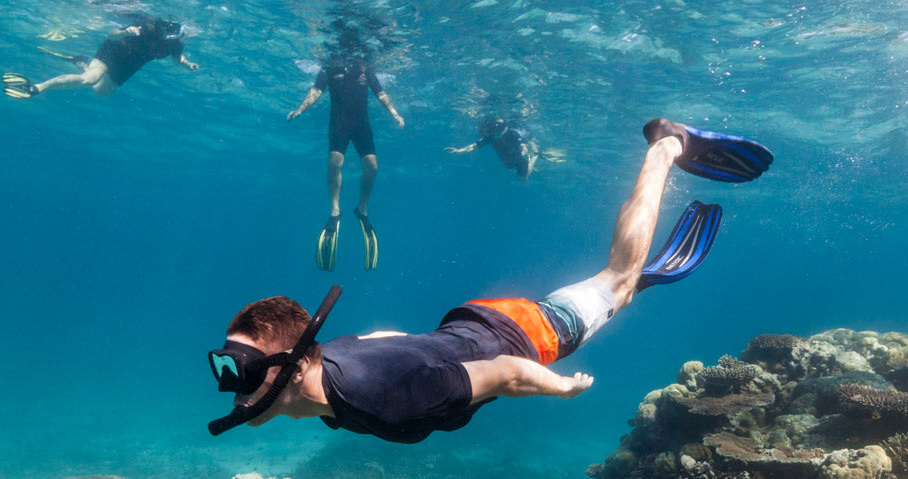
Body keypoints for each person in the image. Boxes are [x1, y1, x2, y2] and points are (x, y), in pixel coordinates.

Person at [206, 119, 773, 444]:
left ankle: (666, 147)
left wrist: (565, 388)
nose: (236, 385)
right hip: (472, 322)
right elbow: (379, 339)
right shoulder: (326, 368)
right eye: (230, 366)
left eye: (246, 370)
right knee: (604, 293)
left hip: (524, 338)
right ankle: (618, 290)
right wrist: (424, 350)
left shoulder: (386, 400)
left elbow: (505, 373)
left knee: (618, 280)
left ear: (300, 362)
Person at [287, 29, 405, 272]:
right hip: (339, 123)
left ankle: (361, 209)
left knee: (373, 167)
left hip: (361, 124)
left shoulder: (365, 68)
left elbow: (381, 93)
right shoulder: (330, 67)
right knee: (335, 162)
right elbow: (315, 92)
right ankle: (334, 210)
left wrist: (394, 113)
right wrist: (300, 110)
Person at [1, 14, 197, 99]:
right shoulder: (148, 26)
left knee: (99, 92)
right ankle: (38, 87)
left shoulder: (176, 43)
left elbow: (177, 58)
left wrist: (187, 65)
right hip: (114, 50)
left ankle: (84, 62)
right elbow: (110, 34)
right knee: (89, 79)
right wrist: (125, 32)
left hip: (130, 66)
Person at [446, 116, 541, 181]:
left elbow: (523, 144)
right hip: (508, 162)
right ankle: (531, 159)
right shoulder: (491, 136)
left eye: (500, 127)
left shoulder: (513, 133)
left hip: (519, 158)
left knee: (523, 180)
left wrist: (525, 151)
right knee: (511, 168)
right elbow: (474, 145)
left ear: (505, 126)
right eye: (495, 128)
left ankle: (535, 157)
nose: (497, 130)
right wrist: (459, 151)